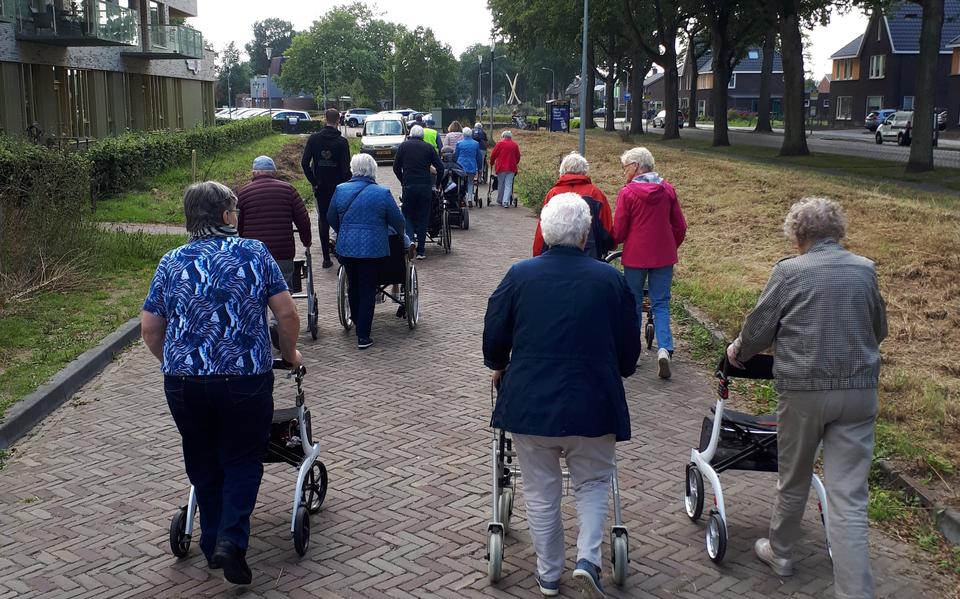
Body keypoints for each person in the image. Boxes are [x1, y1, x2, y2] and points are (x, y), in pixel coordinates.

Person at [141, 181, 302, 586]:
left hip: (183, 381)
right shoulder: (253, 253)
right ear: (225, 216)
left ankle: (212, 540)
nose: (238, 215)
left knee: (202, 457)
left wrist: (175, 362)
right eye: (234, 209)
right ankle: (231, 541)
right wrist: (290, 353)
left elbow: (149, 329)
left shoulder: (171, 261)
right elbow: (286, 314)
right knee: (243, 458)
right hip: (243, 377)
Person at [725, 197, 887, 599]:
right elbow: (878, 328)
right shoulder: (865, 271)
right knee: (849, 497)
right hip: (858, 393)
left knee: (794, 476)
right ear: (838, 232)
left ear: (797, 235)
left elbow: (760, 328)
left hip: (804, 392)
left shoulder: (790, 271)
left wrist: (737, 352)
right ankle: (855, 593)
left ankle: (780, 552)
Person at [483, 194, 640, 599]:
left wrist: (500, 363)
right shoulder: (611, 281)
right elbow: (628, 353)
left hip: (531, 403)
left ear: (544, 233)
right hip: (594, 402)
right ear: (587, 233)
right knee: (592, 483)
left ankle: (549, 575)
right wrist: (618, 369)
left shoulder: (519, 275)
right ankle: (587, 559)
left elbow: (494, 338)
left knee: (540, 489)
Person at [613, 147, 686, 380]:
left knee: (632, 301)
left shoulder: (627, 193)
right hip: (663, 256)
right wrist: (670, 245)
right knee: (661, 302)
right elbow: (680, 226)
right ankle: (664, 348)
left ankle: (632, 352)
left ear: (635, 166)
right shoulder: (668, 190)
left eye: (625, 167)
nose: (624, 172)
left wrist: (613, 241)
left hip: (635, 256)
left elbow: (620, 229)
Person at [328, 154, 407, 349]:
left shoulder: (340, 190)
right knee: (367, 288)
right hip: (373, 249)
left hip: (347, 248)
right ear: (373, 170)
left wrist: (343, 231)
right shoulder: (383, 193)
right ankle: (363, 335)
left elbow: (330, 217)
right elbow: (398, 222)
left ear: (353, 169)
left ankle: (356, 320)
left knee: (353, 286)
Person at [532, 152, 613, 260]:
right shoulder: (596, 194)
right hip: (589, 255)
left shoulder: (554, 193)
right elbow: (606, 229)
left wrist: (537, 255)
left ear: (562, 170)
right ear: (584, 171)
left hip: (556, 257)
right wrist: (605, 248)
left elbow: (543, 229)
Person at [237, 155, 312, 265]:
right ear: (274, 173)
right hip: (282, 253)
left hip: (254, 254)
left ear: (253, 173)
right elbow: (303, 220)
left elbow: (238, 224)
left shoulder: (244, 193)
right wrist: (306, 241)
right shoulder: (288, 190)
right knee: (284, 281)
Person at [301, 107, 351, 268]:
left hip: (321, 188)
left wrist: (314, 182)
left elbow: (304, 163)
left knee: (323, 220)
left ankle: (325, 258)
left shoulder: (314, 139)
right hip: (340, 188)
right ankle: (342, 253)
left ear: (324, 119)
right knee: (342, 219)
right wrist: (347, 184)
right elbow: (345, 169)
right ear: (338, 121)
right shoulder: (342, 142)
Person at [393, 124, 444, 260]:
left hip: (408, 186)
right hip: (425, 187)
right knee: (423, 217)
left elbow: (395, 167)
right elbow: (440, 168)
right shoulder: (428, 148)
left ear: (410, 134)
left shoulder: (403, 146)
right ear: (422, 136)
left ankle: (410, 243)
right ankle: (421, 251)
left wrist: (402, 180)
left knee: (407, 215)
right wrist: (437, 183)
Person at [489, 130, 521, 208]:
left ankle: (500, 200)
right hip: (511, 168)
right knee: (508, 185)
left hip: (501, 167)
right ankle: (506, 201)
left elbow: (493, 155)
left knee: (501, 184)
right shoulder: (515, 145)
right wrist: (515, 163)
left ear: (503, 137)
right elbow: (518, 157)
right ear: (510, 137)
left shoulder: (500, 144)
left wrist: (492, 162)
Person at [453, 126, 482, 206]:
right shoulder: (476, 144)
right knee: (470, 182)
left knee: (461, 182)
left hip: (461, 165)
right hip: (471, 165)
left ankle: (461, 197)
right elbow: (479, 157)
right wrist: (480, 168)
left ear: (463, 134)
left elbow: (456, 155)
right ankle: (470, 198)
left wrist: (454, 164)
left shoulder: (459, 143)